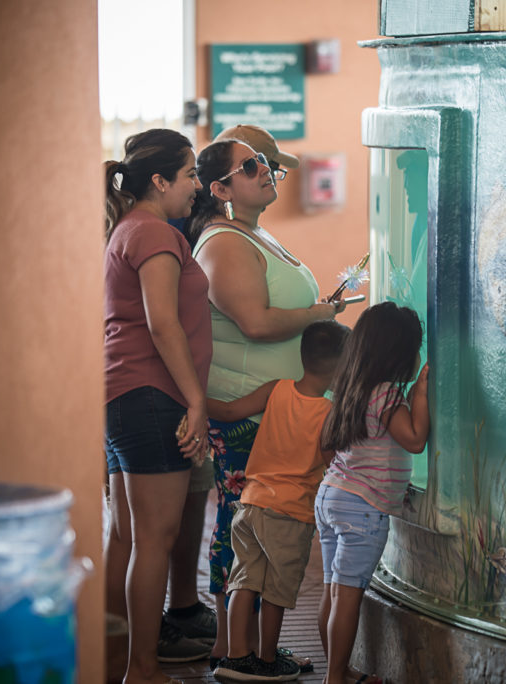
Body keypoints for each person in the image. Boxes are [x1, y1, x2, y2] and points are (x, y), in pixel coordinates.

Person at [187, 126, 346, 666]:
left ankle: (253, 646)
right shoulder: (223, 242)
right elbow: (254, 322)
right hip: (243, 412)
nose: (266, 171)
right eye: (251, 166)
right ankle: (234, 648)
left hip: (270, 411)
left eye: (265, 162)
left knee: (259, 525)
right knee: (244, 524)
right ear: (220, 189)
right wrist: (321, 314)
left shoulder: (253, 233)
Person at [103, 128, 213, 684]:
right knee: (154, 540)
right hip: (153, 396)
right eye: (190, 174)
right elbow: (162, 322)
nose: (197, 186)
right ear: (159, 180)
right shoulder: (153, 233)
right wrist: (195, 401)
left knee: (128, 537)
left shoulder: (128, 228)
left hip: (126, 396)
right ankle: (142, 668)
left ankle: (115, 660)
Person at [214, 320, 351, 682]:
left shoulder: (277, 389)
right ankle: (267, 659)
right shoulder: (329, 412)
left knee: (243, 579)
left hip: (250, 503)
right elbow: (332, 461)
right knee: (276, 589)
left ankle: (236, 657)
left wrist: (193, 403)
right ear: (340, 368)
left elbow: (230, 412)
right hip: (289, 514)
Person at [315, 302, 431, 684]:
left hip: (331, 495)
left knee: (333, 591)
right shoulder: (386, 395)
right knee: (347, 596)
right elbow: (414, 439)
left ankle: (338, 668)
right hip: (361, 509)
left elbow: (333, 445)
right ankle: (335, 677)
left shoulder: (352, 389)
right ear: (398, 355)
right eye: (415, 349)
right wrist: (420, 394)